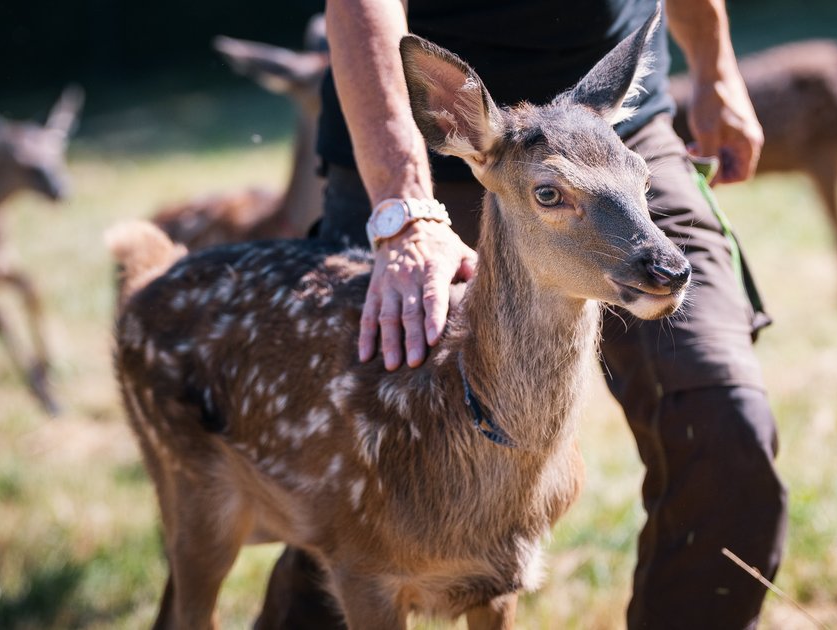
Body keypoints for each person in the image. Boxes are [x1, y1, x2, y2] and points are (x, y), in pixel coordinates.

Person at [256, 0, 787, 627]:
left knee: (722, 428)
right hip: (412, 145)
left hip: (611, 140)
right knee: (353, 468)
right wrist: (402, 210)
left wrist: (714, 64)